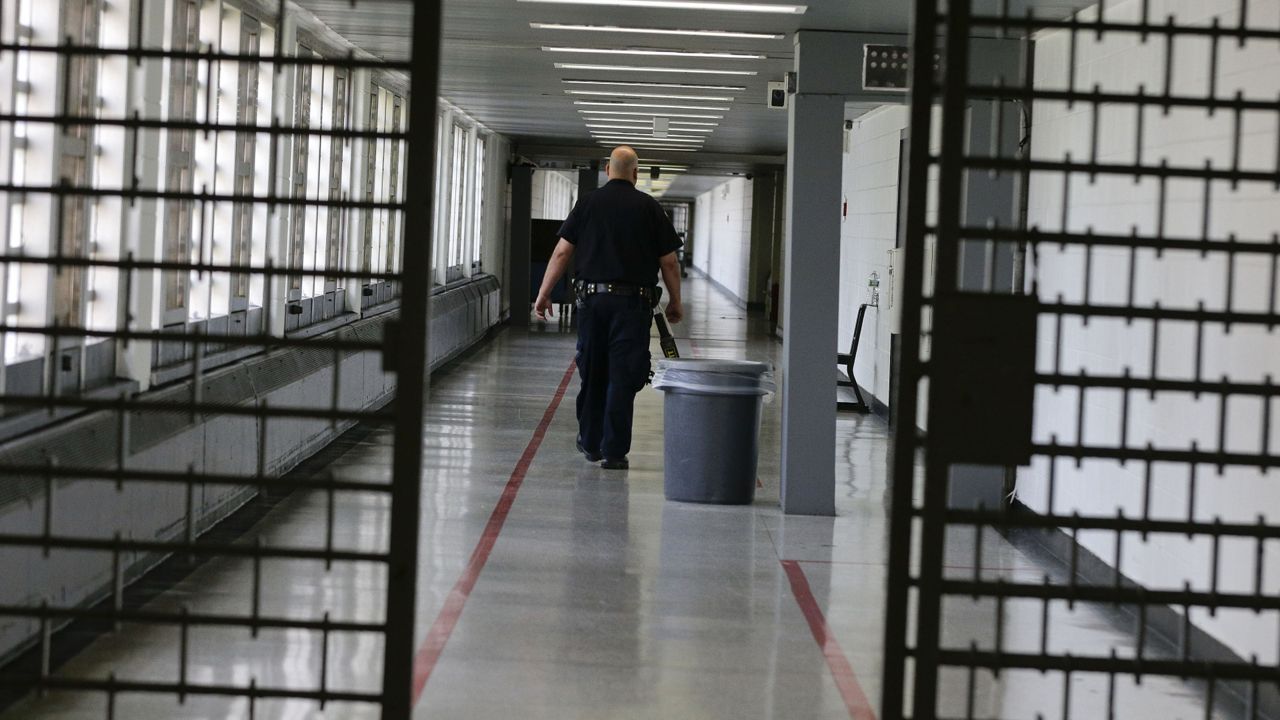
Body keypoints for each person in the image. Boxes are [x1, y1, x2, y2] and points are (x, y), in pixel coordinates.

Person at [534, 146, 684, 470]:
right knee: (623, 375)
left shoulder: (587, 203)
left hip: (591, 303)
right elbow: (669, 261)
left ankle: (590, 443)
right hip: (633, 306)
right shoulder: (649, 207)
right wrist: (676, 300)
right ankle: (615, 451)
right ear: (636, 173)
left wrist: (544, 293)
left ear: (607, 170)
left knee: (593, 370)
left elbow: (562, 253)